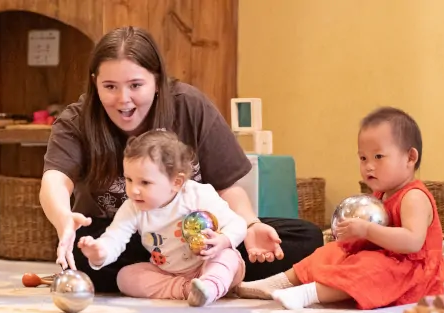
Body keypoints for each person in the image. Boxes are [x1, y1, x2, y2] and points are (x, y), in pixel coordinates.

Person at [40, 25, 323, 293]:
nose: (123, 100)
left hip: (200, 240)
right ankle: (201, 283)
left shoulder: (189, 105)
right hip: (128, 237)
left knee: (306, 237)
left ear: (158, 81)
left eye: (136, 85)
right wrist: (63, 218)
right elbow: (55, 180)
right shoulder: (77, 120)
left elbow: (228, 187)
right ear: (95, 83)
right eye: (110, 87)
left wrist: (250, 226)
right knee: (84, 252)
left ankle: (204, 275)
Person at [236, 107, 444, 310]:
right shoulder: (382, 195)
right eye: (363, 158)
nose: (369, 166)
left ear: (410, 157)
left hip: (413, 274)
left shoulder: (414, 197)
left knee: (370, 268)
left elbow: (412, 241)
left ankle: (308, 294)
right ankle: (276, 283)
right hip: (383, 257)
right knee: (331, 252)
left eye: (378, 157)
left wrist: (366, 231)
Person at [76, 130, 247, 306]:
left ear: (176, 183)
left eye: (145, 182)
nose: (134, 190)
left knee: (228, 256)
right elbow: (115, 237)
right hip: (167, 272)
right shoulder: (133, 207)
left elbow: (238, 224)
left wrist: (224, 240)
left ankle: (211, 286)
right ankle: (188, 290)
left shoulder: (197, 195)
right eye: (129, 179)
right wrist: (100, 253)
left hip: (207, 264)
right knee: (125, 277)